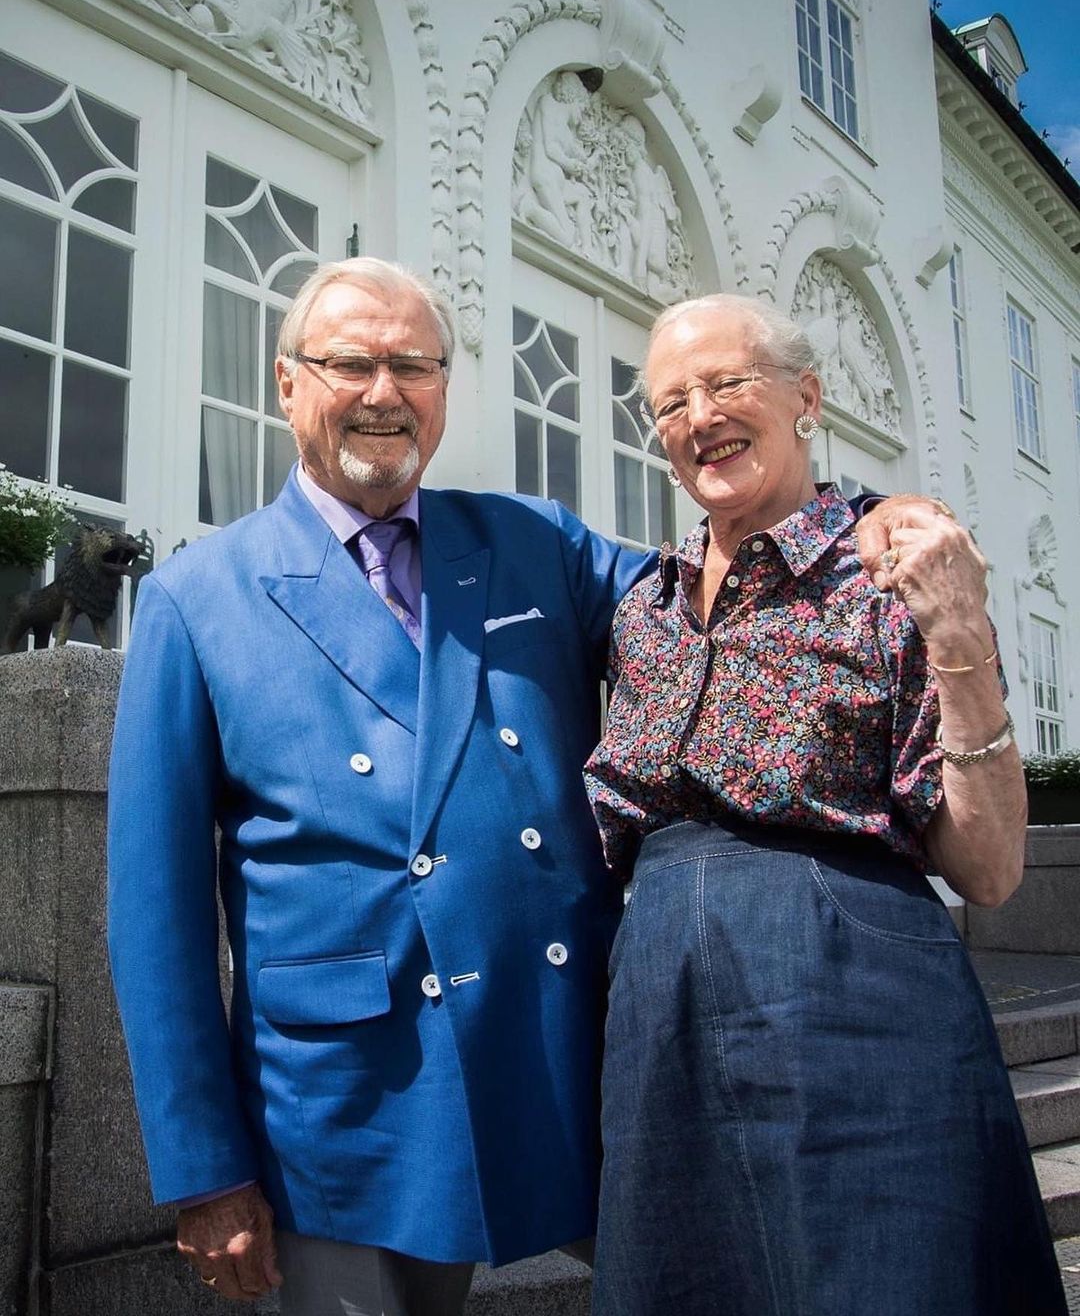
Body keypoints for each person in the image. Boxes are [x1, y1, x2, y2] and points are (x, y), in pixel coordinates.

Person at [107, 258, 983, 1316]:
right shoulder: (196, 596)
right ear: (289, 383)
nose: (385, 392)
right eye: (350, 363)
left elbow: (720, 575)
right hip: (346, 1094)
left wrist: (884, 517)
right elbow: (152, 915)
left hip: (565, 1044)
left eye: (414, 366)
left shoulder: (532, 542)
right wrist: (206, 1168)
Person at [584, 292, 1066, 1315]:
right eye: (670, 403)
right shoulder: (643, 603)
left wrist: (965, 644)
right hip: (660, 1005)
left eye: (726, 383)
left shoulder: (894, 572)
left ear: (806, 395)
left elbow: (987, 870)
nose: (698, 416)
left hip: (856, 989)